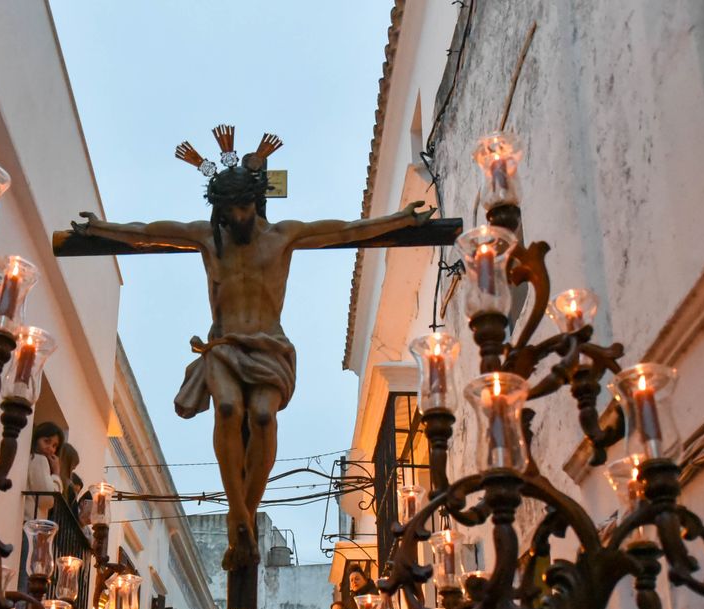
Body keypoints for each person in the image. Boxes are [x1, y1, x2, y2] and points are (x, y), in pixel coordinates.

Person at [72, 128, 429, 572]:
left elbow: (347, 229)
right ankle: (239, 517)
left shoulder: (283, 235)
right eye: (229, 210)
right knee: (227, 409)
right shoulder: (209, 238)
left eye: (243, 207)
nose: (238, 216)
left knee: (262, 416)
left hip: (269, 347)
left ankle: (244, 513)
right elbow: (147, 232)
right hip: (223, 346)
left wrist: (400, 221)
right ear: (219, 209)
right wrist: (99, 229)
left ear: (257, 201)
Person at [25, 421, 64, 519]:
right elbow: (48, 499)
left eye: (54, 446)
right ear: (36, 439)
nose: (50, 449)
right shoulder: (39, 460)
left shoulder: (29, 459)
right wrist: (56, 474)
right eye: (46, 441)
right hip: (31, 522)